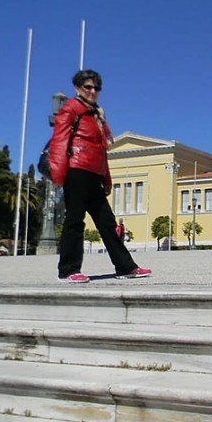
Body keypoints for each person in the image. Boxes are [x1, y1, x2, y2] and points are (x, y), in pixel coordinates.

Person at [49, 70, 151, 283]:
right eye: (88, 87)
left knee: (106, 222)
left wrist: (106, 177)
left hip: (94, 172)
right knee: (75, 219)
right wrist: (58, 175)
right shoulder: (70, 109)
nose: (93, 91)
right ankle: (68, 270)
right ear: (78, 88)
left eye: (96, 88)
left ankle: (125, 267)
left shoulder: (96, 114)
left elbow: (101, 149)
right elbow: (59, 142)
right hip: (76, 169)